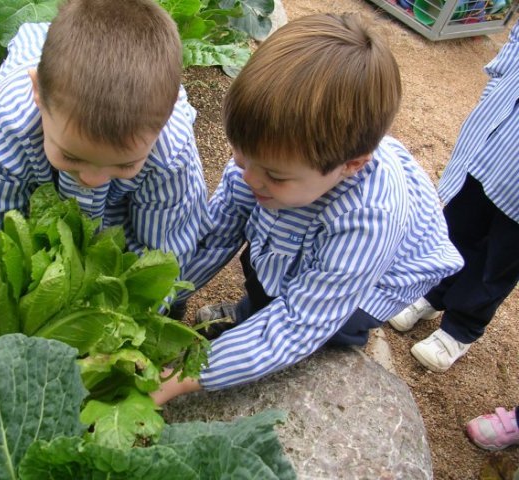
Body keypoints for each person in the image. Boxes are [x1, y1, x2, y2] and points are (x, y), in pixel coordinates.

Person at [152, 13, 463, 404]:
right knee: (261, 270)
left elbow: (299, 324)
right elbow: (219, 232)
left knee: (331, 330)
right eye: (239, 157)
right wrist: (159, 297)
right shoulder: (268, 165)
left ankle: (261, 335)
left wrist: (179, 378)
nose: (248, 177)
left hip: (376, 279)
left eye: (274, 176)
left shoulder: (368, 219)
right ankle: (248, 314)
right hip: (295, 229)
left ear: (352, 165)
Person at [0, 0, 207, 287]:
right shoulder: (9, 121)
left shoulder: (171, 151)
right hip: (27, 162)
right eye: (72, 156)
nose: (92, 179)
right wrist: (5, 291)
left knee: (132, 258)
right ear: (38, 93)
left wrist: (138, 299)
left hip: (116, 205)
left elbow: (164, 249)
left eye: (125, 163)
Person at [388, 19, 519, 373]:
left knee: (502, 256)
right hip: (497, 136)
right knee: (460, 222)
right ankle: (433, 291)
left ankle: (461, 327)